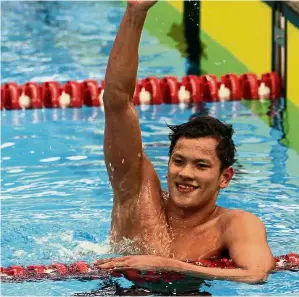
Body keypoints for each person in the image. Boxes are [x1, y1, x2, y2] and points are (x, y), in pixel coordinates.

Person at [95, 0, 275, 286]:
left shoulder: (235, 225)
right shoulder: (137, 195)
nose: (185, 173)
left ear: (225, 177)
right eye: (179, 161)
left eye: (201, 165)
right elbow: (117, 102)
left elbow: (256, 273)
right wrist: (135, 12)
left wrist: (168, 265)